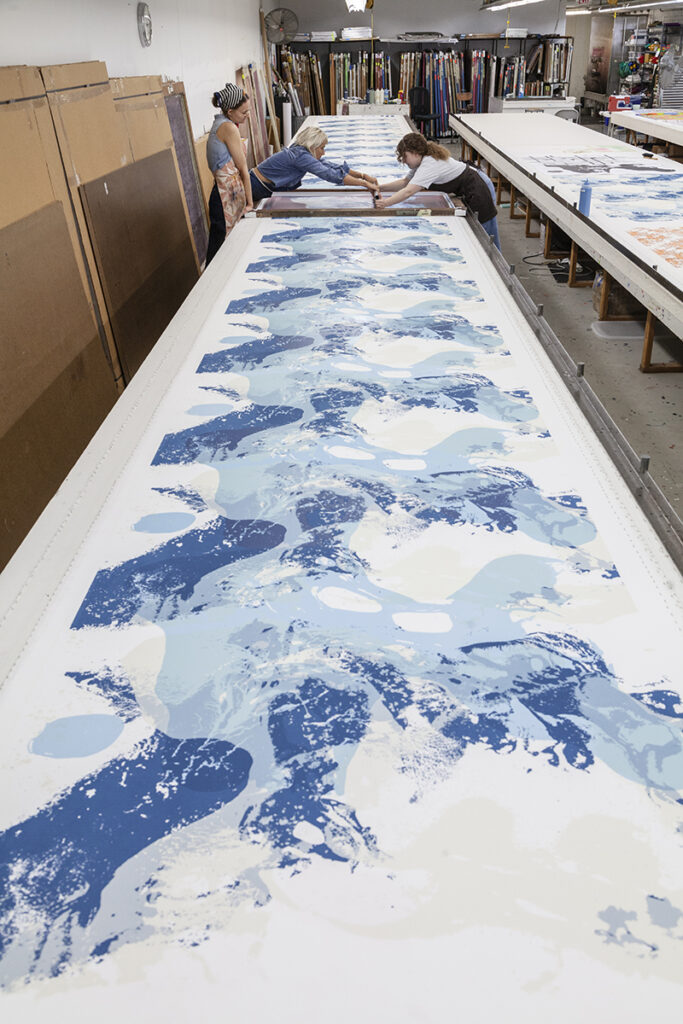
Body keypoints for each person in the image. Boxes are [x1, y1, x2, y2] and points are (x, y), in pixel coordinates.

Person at [376, 133, 500, 249]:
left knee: (486, 236)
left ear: (415, 153)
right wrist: (379, 188)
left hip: (477, 188)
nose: (403, 160)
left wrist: (385, 203)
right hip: (470, 184)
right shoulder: (422, 161)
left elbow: (408, 191)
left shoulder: (430, 164)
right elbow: (404, 183)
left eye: (405, 156)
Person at [248, 125, 379, 202]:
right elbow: (329, 174)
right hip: (256, 186)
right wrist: (365, 184)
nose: (324, 152)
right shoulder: (301, 156)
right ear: (312, 146)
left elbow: (330, 166)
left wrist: (363, 176)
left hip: (260, 184)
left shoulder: (302, 151)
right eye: (322, 148)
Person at [205, 83, 254, 266]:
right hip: (223, 196)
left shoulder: (221, 123)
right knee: (220, 249)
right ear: (230, 110)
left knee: (225, 246)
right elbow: (243, 169)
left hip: (227, 193)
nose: (247, 116)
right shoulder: (228, 128)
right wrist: (250, 204)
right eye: (243, 112)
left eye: (248, 111)